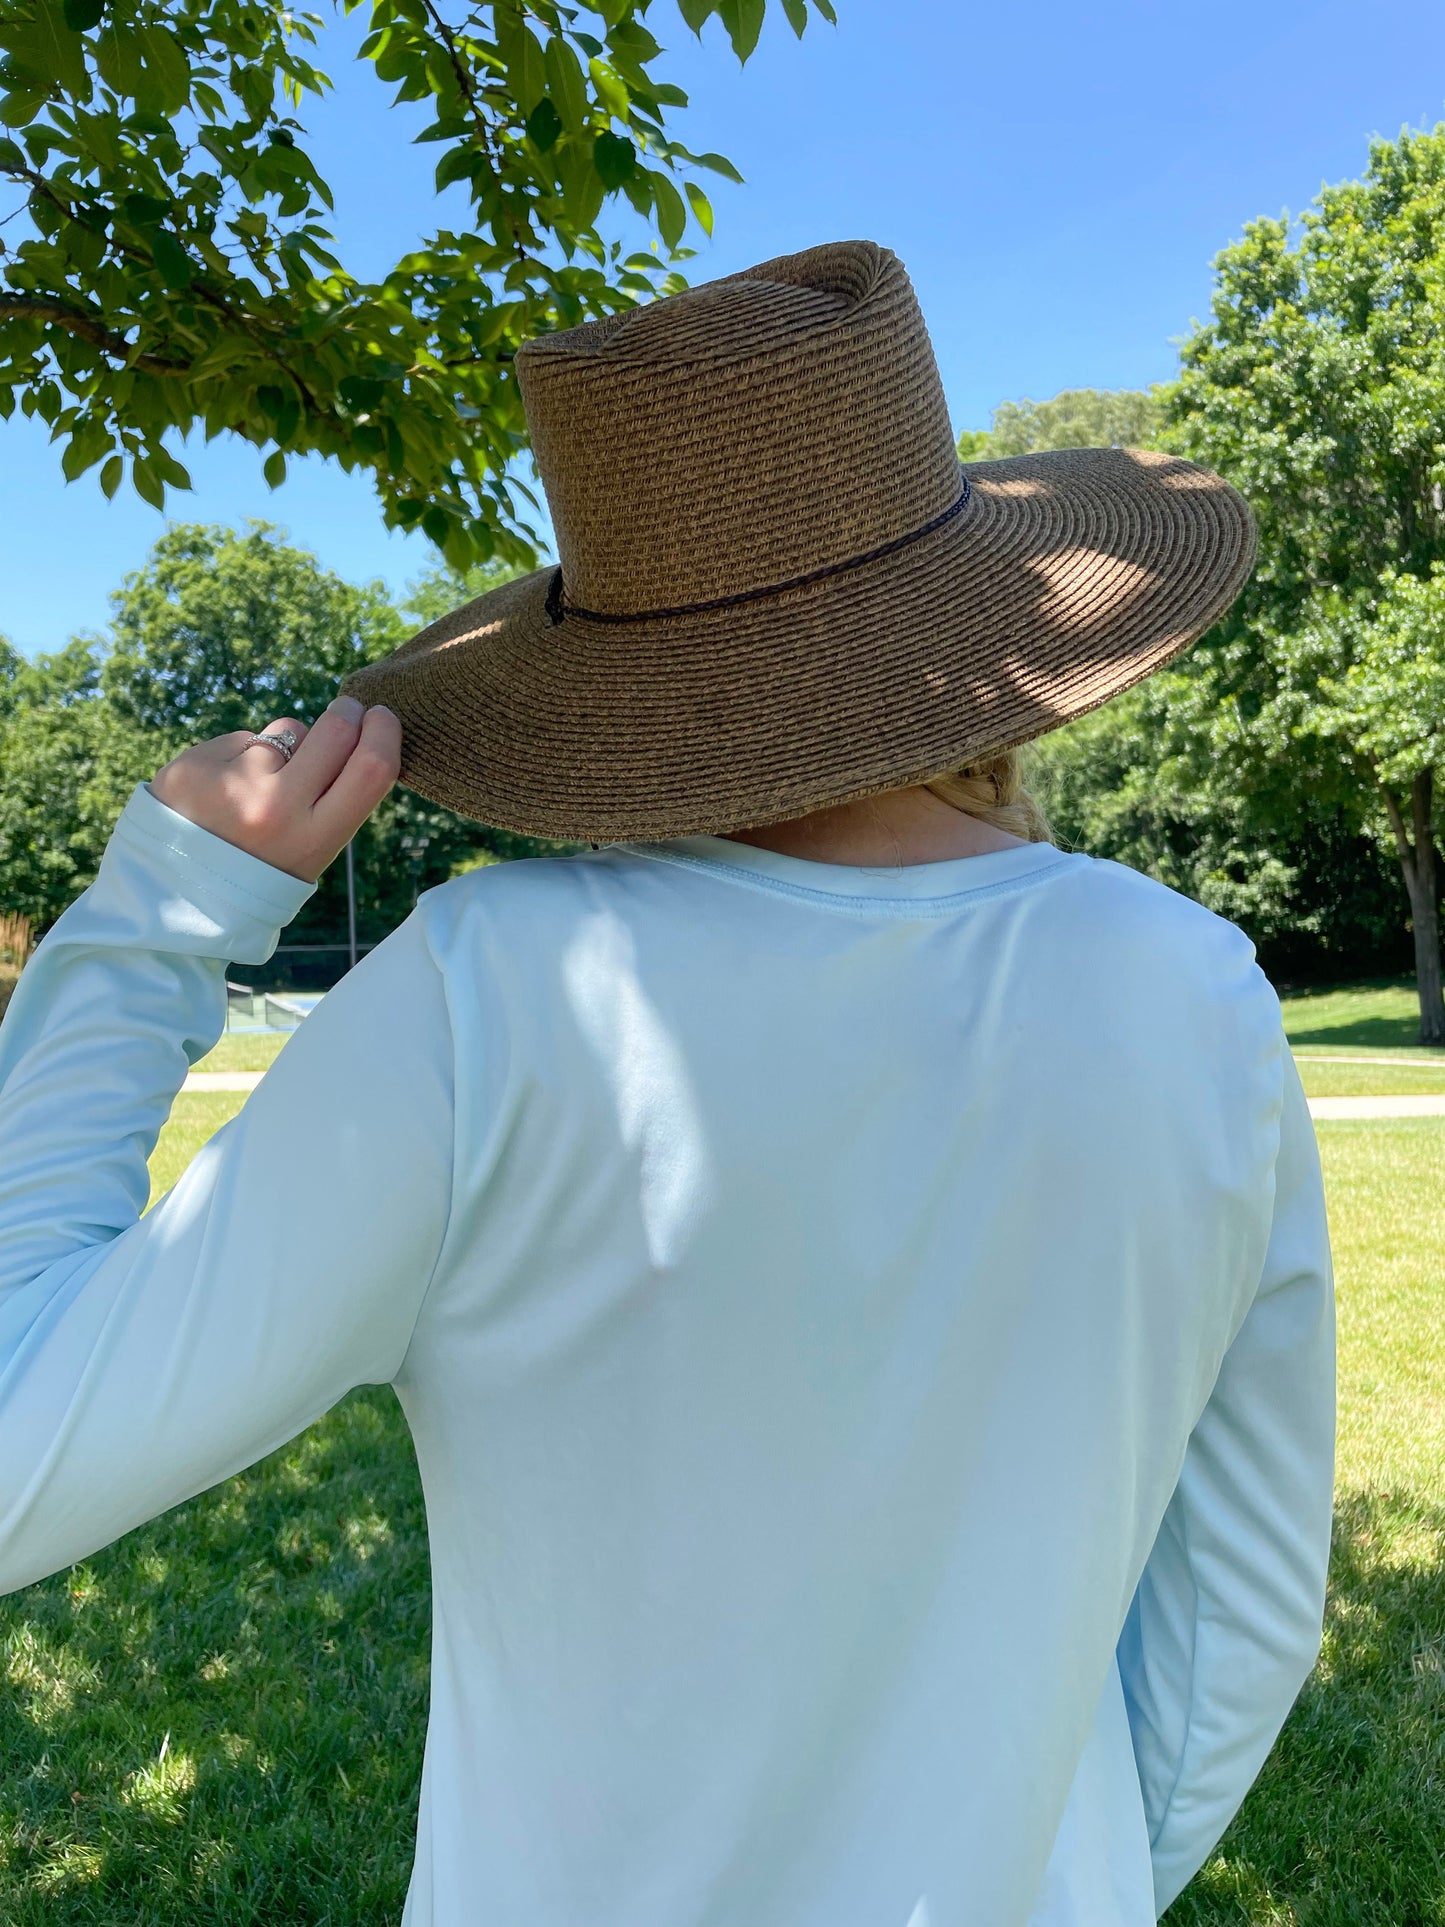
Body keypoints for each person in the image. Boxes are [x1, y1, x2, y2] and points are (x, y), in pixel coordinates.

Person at [0, 240, 1334, 1926]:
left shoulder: (493, 996)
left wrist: (154, 925)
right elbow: (1248, 1611)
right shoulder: (1192, 989)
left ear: (621, 663)